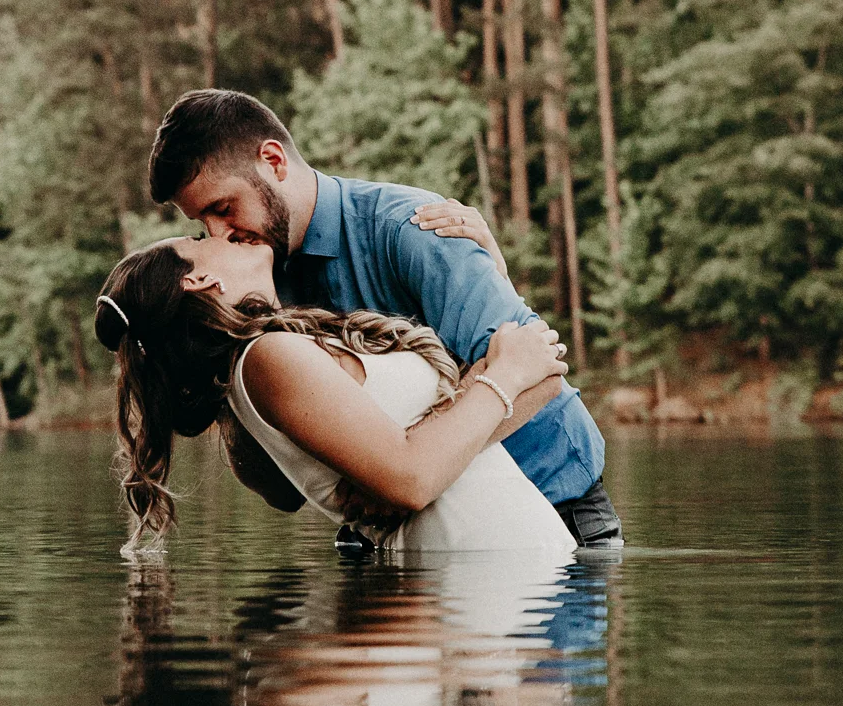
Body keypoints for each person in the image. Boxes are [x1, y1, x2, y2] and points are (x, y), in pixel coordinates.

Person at [146, 88, 624, 547]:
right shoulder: (257, 286)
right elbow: (283, 493)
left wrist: (396, 478)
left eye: (224, 209)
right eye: (202, 224)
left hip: (554, 512)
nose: (220, 235)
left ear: (273, 161)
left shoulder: (412, 228)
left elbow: (540, 376)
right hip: (398, 542)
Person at [93, 232, 574, 554]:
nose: (220, 233)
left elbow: (539, 381)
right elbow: (414, 477)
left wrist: (489, 275)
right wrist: (504, 376)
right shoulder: (265, 359)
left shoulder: (280, 350)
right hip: (474, 591)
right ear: (197, 279)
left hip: (512, 579)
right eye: (200, 239)